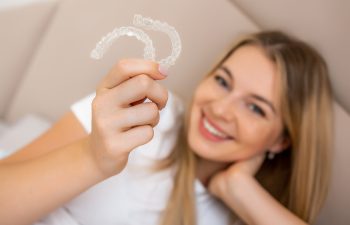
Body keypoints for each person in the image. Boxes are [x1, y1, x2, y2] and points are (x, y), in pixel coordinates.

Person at [0, 31, 333, 225]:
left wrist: (238, 188)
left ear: (282, 140)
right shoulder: (142, 113)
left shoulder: (246, 212)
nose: (219, 109)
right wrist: (92, 158)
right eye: (222, 81)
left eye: (255, 107)